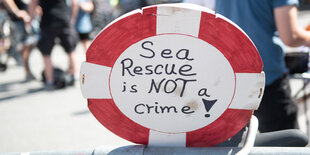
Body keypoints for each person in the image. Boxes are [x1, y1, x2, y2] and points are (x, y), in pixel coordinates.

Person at [216, 0, 310, 132]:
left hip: (230, 74)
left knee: (237, 144)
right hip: (266, 77)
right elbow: (291, 36)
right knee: (285, 143)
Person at [29, 0, 79, 90]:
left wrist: (31, 19)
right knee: (71, 49)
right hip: (63, 19)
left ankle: (50, 81)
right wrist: (72, 19)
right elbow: (74, 3)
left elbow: (33, 3)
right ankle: (75, 76)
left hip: (47, 21)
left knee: (46, 53)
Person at [3, 0, 36, 82]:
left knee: (29, 44)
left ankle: (27, 71)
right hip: (18, 21)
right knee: (23, 45)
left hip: (25, 19)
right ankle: (27, 71)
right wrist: (17, 12)